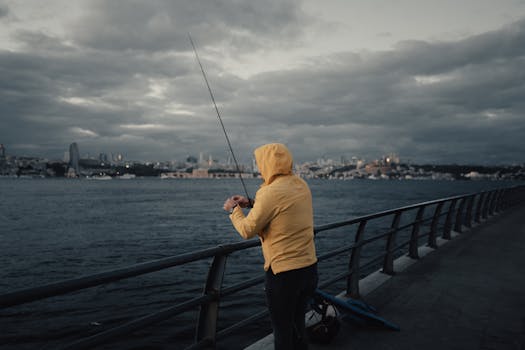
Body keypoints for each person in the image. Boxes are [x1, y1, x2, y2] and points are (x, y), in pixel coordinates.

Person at [223, 143, 318, 350]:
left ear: (267, 164)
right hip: (309, 268)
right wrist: (251, 202)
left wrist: (234, 210)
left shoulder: (270, 192)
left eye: (259, 163)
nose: (258, 167)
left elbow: (247, 230)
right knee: (297, 326)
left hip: (284, 274)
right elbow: (282, 206)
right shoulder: (300, 184)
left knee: (282, 332)